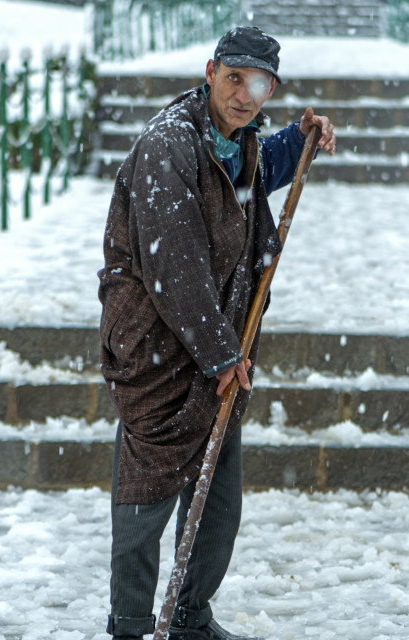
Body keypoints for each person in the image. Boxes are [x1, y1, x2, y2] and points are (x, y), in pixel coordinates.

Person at [97, 26, 336, 640]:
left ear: (270, 88)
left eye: (258, 84)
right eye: (233, 78)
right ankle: (129, 624)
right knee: (146, 497)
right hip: (157, 347)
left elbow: (254, 177)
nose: (243, 94)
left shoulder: (241, 139)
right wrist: (221, 352)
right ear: (210, 72)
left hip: (217, 345)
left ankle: (188, 619)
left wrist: (302, 138)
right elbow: (174, 264)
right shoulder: (167, 147)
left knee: (218, 504)